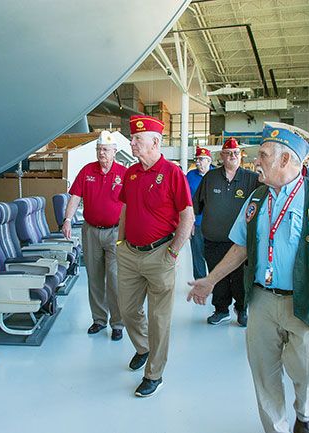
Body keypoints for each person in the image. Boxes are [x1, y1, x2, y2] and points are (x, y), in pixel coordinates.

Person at [187, 121, 309, 433]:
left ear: (285, 160)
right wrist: (210, 279)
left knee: (308, 373)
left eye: (263, 155)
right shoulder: (256, 200)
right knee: (264, 373)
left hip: (306, 301)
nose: (256, 161)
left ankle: (305, 415)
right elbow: (240, 247)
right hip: (263, 300)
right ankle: (277, 428)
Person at [117, 114, 194, 398]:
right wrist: (120, 242)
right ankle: (142, 346)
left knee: (159, 318)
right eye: (133, 139)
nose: (133, 143)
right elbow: (125, 209)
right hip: (129, 254)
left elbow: (188, 215)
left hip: (161, 254)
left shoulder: (173, 173)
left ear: (155, 141)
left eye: (137, 139)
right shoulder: (131, 173)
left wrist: (174, 252)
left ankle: (154, 373)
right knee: (127, 310)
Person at [62, 130, 127, 341]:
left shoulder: (124, 173)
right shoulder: (87, 171)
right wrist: (68, 219)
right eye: (99, 149)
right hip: (90, 231)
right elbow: (75, 197)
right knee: (95, 278)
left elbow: (131, 204)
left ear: (115, 152)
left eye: (106, 150)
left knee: (115, 279)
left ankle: (117, 323)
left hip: (115, 232)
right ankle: (99, 319)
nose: (102, 153)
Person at [193, 137, 260, 327]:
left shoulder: (252, 179)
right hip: (214, 240)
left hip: (240, 243)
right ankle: (221, 310)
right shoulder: (210, 178)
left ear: (241, 155)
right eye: (228, 153)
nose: (232, 156)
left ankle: (241, 309)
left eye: (236, 153)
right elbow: (196, 204)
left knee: (240, 278)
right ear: (222, 156)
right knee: (217, 276)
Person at [186, 146, 213, 280]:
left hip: (215, 224)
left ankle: (214, 282)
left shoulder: (217, 175)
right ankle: (200, 282)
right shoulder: (190, 176)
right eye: (197, 159)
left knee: (213, 254)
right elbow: (186, 201)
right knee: (197, 254)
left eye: (201, 159)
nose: (198, 162)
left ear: (209, 161)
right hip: (196, 222)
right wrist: (188, 223)